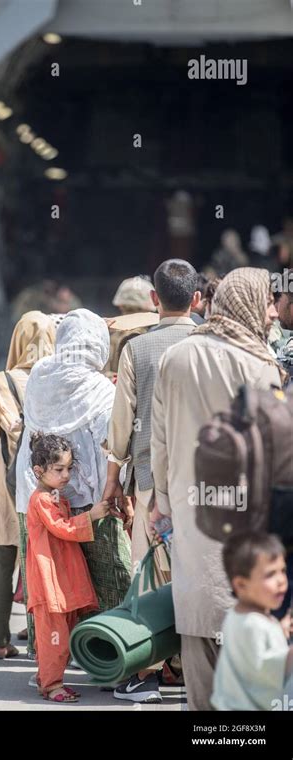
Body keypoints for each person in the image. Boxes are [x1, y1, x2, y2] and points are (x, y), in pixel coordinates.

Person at [151, 267, 284, 710]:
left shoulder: (177, 357)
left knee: (197, 619)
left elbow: (161, 440)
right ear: (246, 302)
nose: (271, 312)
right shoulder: (260, 365)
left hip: (191, 513)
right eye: (267, 301)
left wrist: (161, 505)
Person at [103, 259, 199, 703]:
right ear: (197, 299)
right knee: (195, 572)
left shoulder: (136, 350)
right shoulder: (212, 342)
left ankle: (150, 669)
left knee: (150, 577)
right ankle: (188, 669)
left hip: (148, 483)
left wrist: (112, 480)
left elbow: (121, 425)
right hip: (205, 485)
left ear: (154, 300)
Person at [16, 309, 133, 614]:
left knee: (48, 574)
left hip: (38, 494)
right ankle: (104, 645)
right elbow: (113, 444)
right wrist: (119, 491)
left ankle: (49, 647)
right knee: (106, 573)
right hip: (93, 498)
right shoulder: (99, 386)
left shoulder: (39, 374)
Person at [0, 311, 55, 659]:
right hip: (42, 486)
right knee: (38, 563)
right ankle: (41, 642)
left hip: (0, 483)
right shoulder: (57, 380)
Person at [26, 432, 109, 703]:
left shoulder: (54, 495)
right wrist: (91, 516)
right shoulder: (41, 500)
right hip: (48, 576)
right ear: (39, 471)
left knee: (62, 631)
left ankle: (48, 679)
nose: (66, 475)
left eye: (69, 468)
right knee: (55, 636)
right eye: (59, 469)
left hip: (60, 574)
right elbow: (62, 528)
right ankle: (52, 685)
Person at [211, 532, 293, 711]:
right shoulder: (252, 625)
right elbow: (265, 673)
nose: (281, 580)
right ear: (241, 585)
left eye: (283, 571)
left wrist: (280, 628)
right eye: (270, 574)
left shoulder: (241, 614)